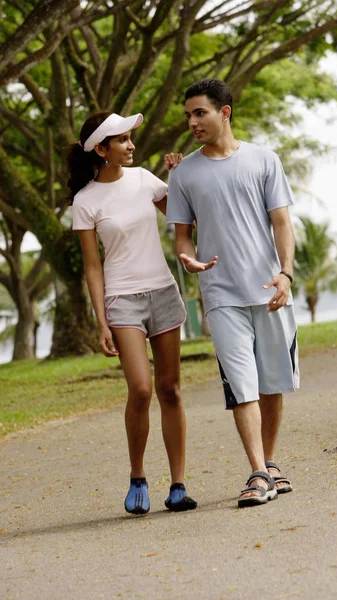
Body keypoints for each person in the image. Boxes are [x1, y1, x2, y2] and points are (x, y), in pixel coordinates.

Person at [165, 79, 299, 508]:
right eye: (187, 115)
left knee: (271, 382)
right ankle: (258, 472)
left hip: (269, 289)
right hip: (220, 295)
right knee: (242, 386)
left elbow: (281, 223)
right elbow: (182, 236)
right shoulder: (183, 172)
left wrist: (285, 274)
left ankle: (271, 463)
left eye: (199, 113)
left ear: (224, 112)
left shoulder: (264, 160)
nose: (192, 122)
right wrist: (187, 257)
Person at [68, 111, 197, 515]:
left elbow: (182, 219)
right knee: (141, 389)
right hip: (122, 299)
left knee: (171, 390)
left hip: (162, 292)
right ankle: (138, 475)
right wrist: (100, 320)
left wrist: (179, 179)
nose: (130, 145)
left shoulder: (145, 179)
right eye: (121, 140)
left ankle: (177, 485)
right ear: (101, 150)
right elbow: (92, 265)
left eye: (130, 138)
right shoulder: (85, 201)